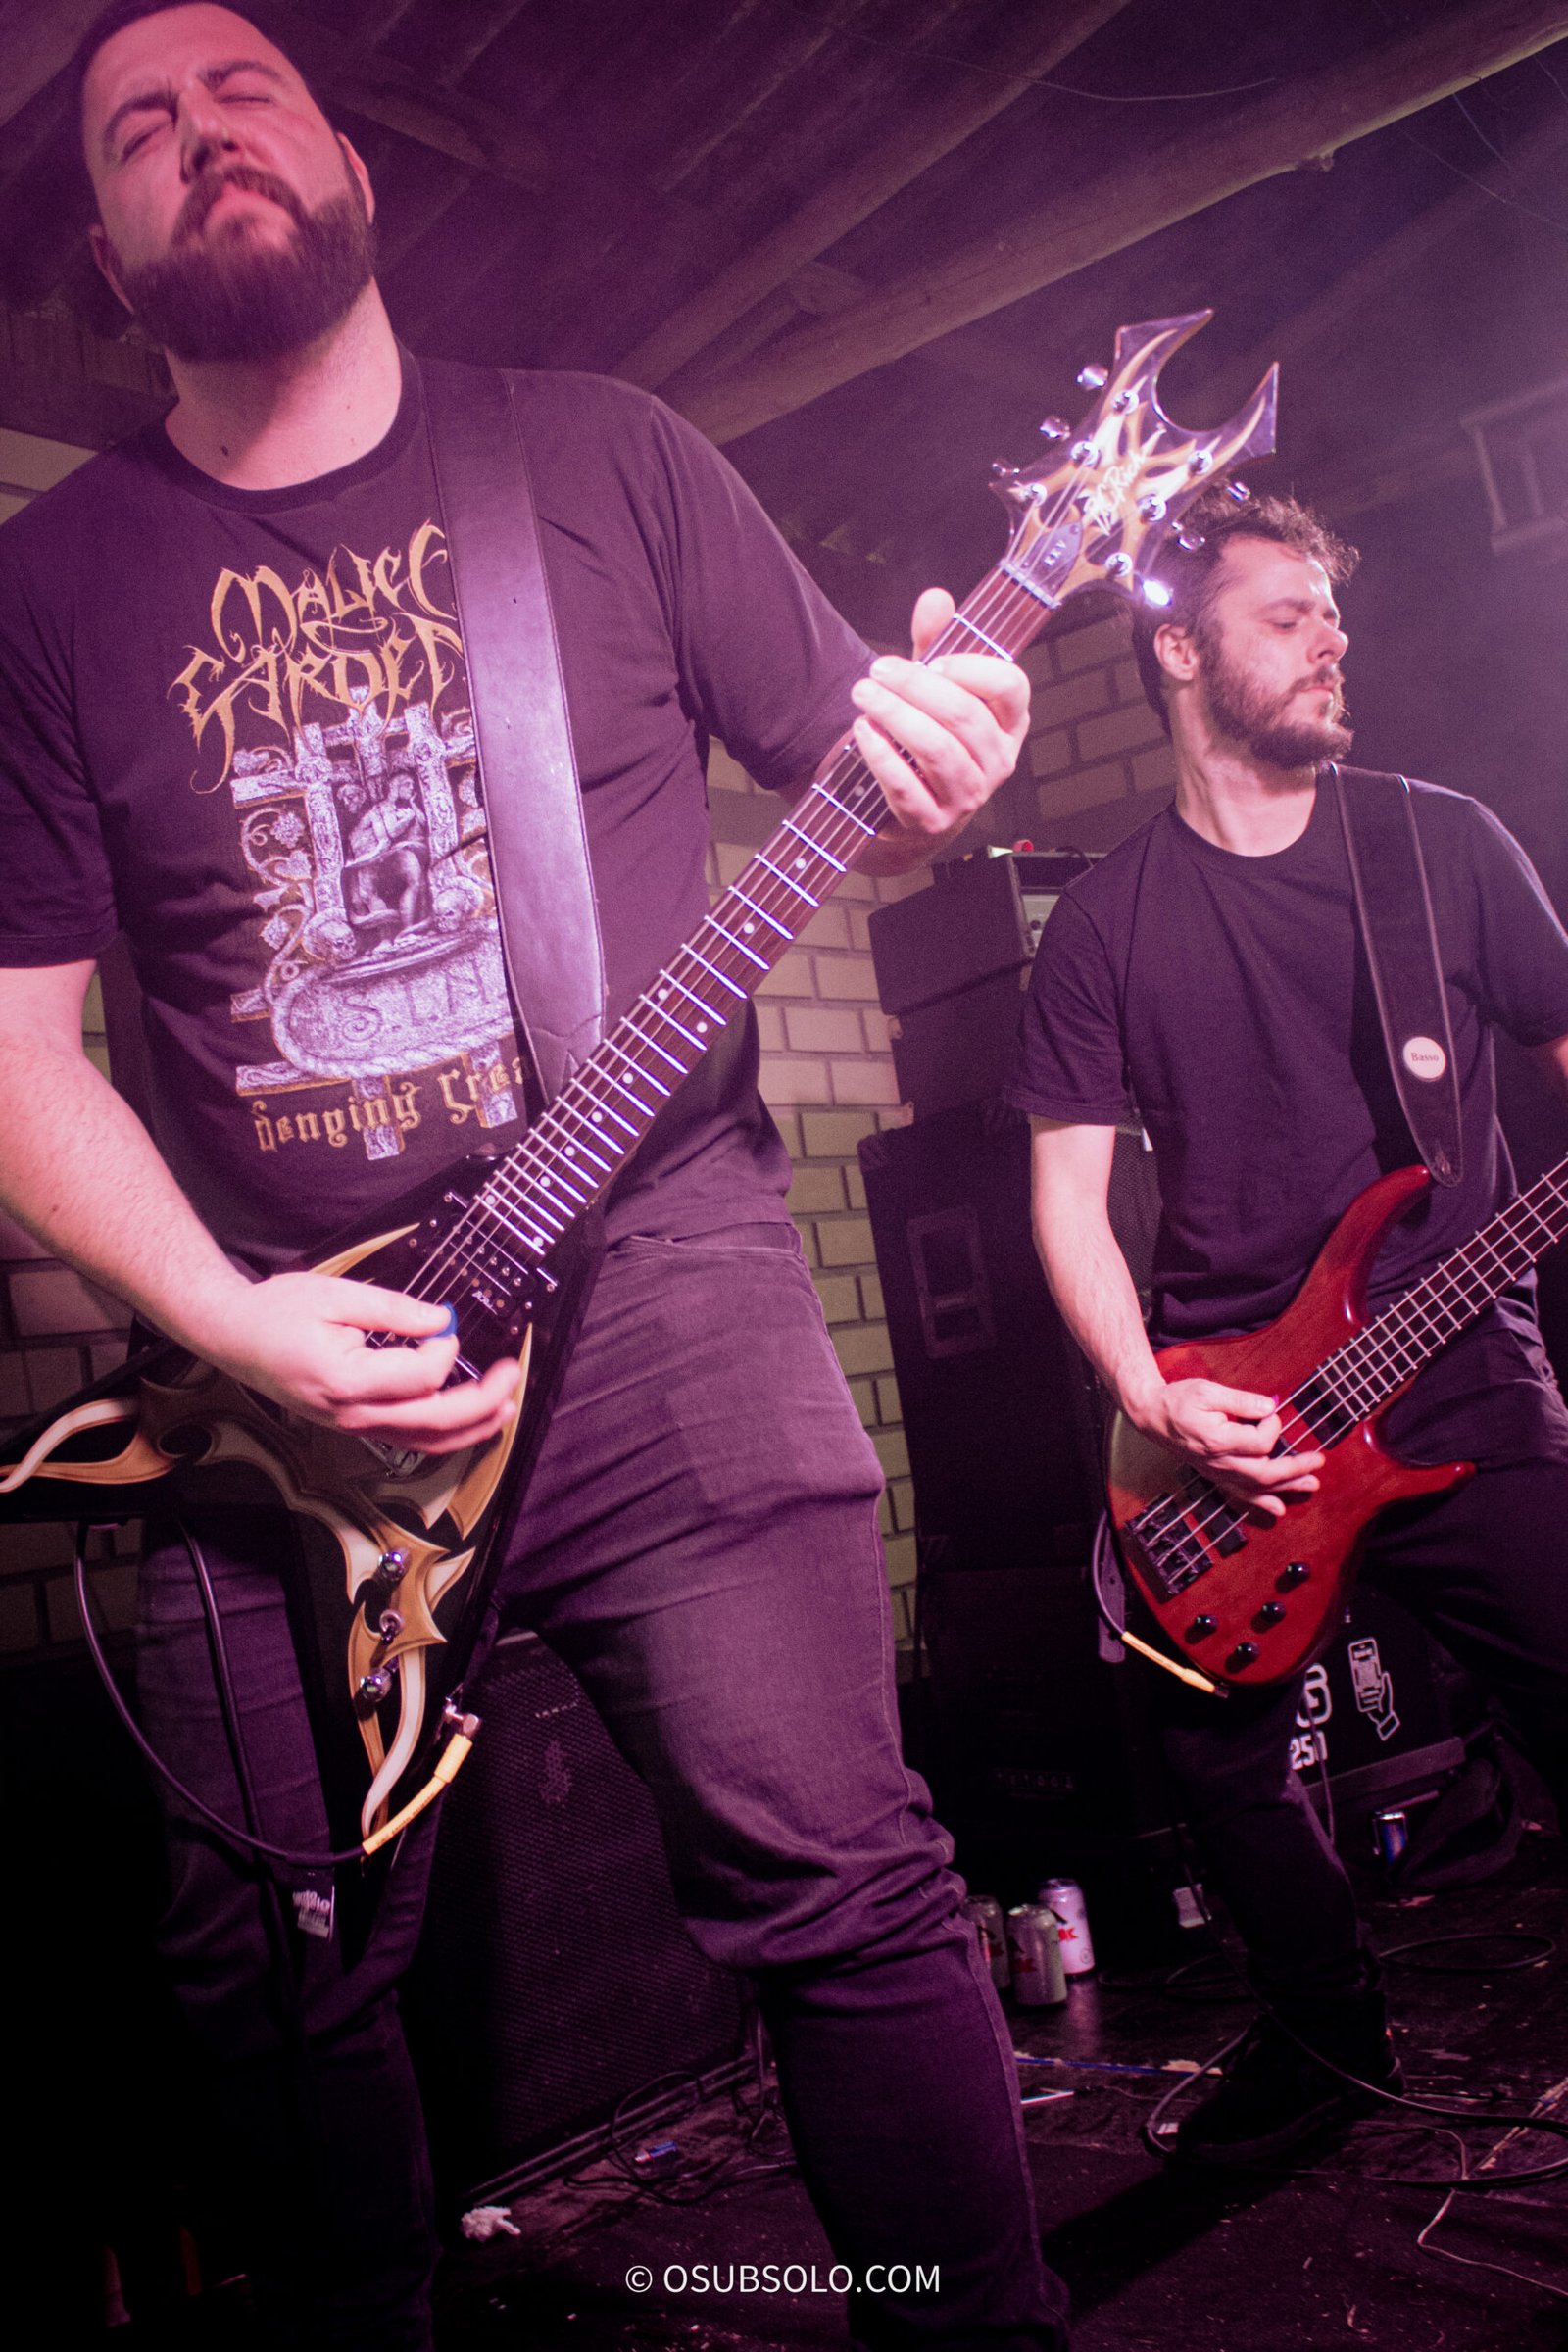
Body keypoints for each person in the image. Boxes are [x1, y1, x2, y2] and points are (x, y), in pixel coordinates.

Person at [0, 5, 1070, 2345]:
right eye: (137, 128)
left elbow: (876, 797)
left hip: (662, 1265)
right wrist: (228, 1322)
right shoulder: (51, 584)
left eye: (244, 89)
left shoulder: (604, 457)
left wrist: (943, 767)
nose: (201, 137)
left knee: (840, 1889)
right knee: (265, 1974)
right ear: (104, 247)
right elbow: (12, 1051)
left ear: (350, 155)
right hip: (277, 1357)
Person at [1011, 483, 1568, 2165]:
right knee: (1213, 1769)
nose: (1334, 637)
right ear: (1181, 652)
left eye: (1334, 608)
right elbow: (1068, 1202)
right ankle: (1328, 2040)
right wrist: (1148, 1392)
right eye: (1288, 612)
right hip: (1231, 1423)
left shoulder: (1439, 846)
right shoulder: (1105, 923)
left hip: (1460, 1377)